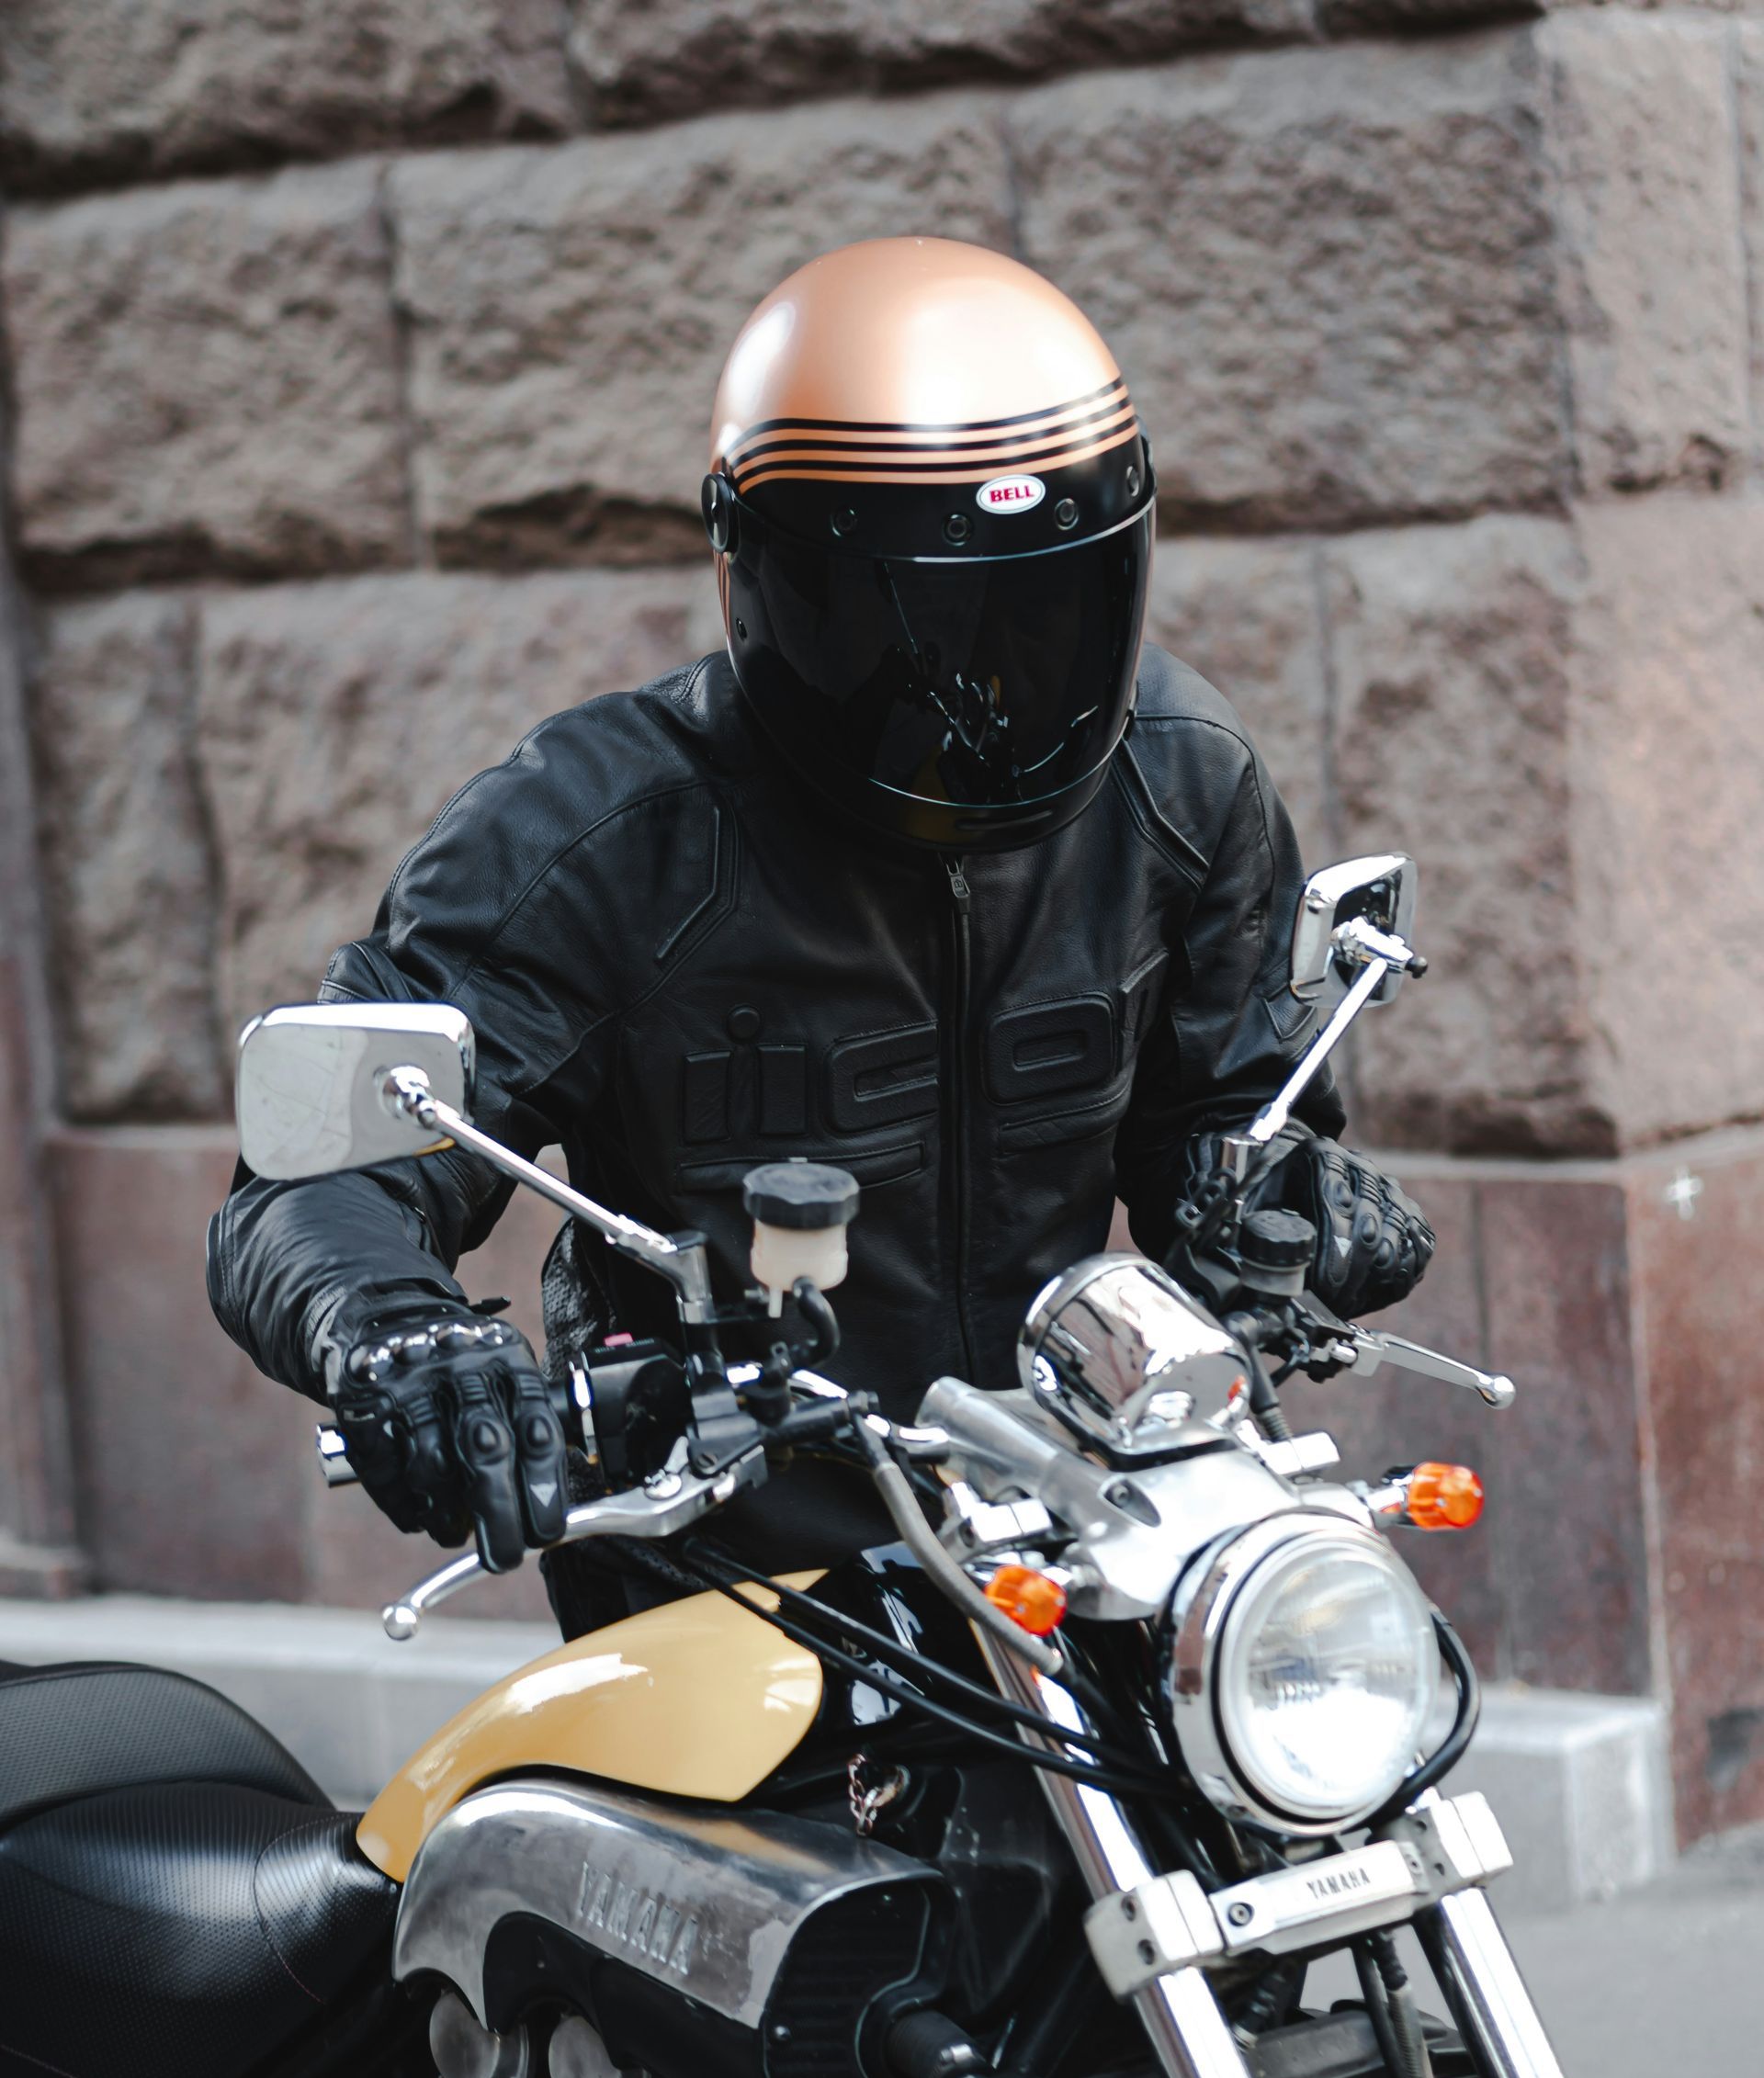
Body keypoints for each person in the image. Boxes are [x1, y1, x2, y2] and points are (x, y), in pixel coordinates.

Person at [207, 236, 1432, 1631]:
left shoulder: (1185, 781)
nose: (985, 694)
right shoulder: (597, 834)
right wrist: (395, 1334)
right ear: (761, 572)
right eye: (920, 630)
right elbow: (321, 1177)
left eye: (1045, 613)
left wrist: (1288, 1200)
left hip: (1089, 1550)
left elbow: (1219, 1117)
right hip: (724, 1577)